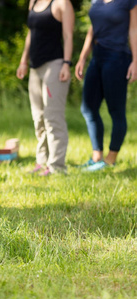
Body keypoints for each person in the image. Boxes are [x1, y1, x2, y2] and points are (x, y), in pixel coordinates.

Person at [75, 0, 137, 171]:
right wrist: (82, 58)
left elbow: (133, 30)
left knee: (116, 111)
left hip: (118, 57)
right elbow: (92, 30)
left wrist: (135, 60)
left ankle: (110, 160)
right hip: (97, 56)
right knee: (88, 108)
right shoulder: (96, 1)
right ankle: (97, 157)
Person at [16, 0, 75, 176]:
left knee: (52, 118)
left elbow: (68, 36)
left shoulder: (62, 3)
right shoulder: (33, 2)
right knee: (38, 118)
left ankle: (57, 166)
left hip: (55, 65)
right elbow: (30, 33)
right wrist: (23, 61)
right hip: (35, 67)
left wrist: (66, 64)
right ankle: (42, 162)